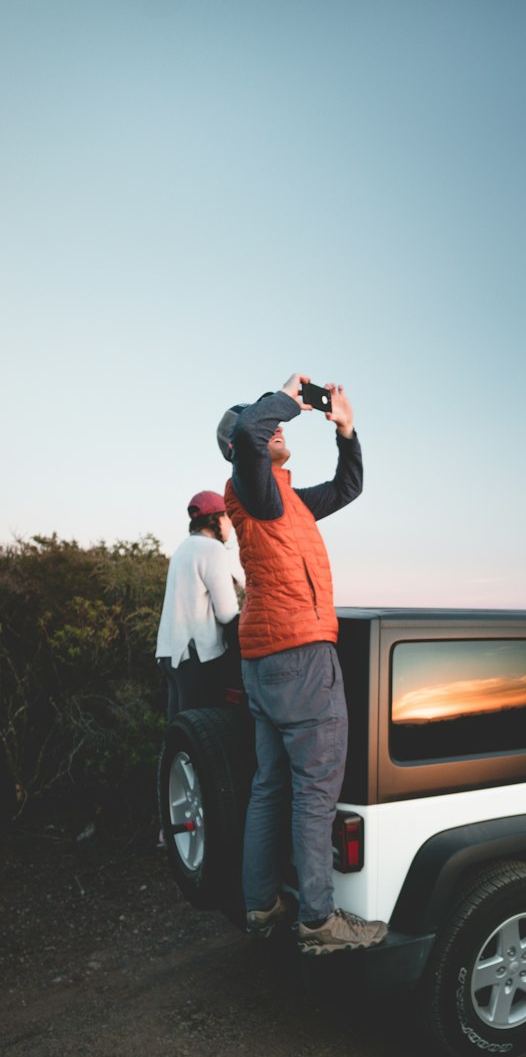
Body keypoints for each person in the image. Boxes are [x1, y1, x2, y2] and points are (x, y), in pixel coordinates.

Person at [217, 373, 387, 956]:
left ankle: (261, 903)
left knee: (271, 786)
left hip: (267, 660)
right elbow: (247, 429)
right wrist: (286, 392)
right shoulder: (254, 488)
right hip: (299, 656)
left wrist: (346, 430)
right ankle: (318, 920)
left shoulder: (285, 500)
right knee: (315, 791)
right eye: (275, 426)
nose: (281, 428)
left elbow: (348, 489)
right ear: (247, 448)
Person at [155, 490, 244, 719]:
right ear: (216, 519)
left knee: (179, 733)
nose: (231, 525)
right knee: (200, 734)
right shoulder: (212, 549)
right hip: (197, 656)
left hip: (170, 653)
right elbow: (226, 613)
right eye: (228, 517)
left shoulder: (182, 549)